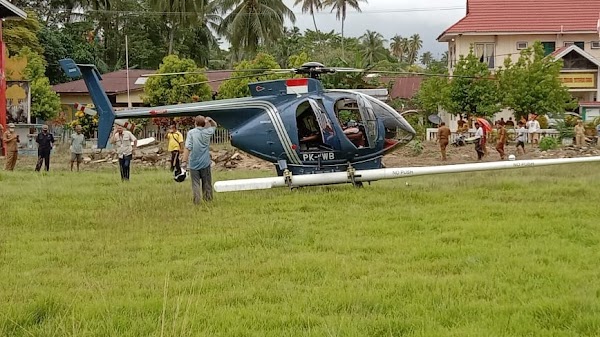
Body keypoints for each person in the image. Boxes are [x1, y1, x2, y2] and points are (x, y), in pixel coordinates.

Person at [182, 115, 217, 204]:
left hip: (194, 162)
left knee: (195, 183)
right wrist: (210, 120)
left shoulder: (191, 133)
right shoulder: (207, 132)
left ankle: (197, 201)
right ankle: (208, 200)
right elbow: (214, 126)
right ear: (203, 124)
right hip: (205, 162)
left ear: (195, 123)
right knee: (207, 183)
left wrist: (184, 161)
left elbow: (188, 147)